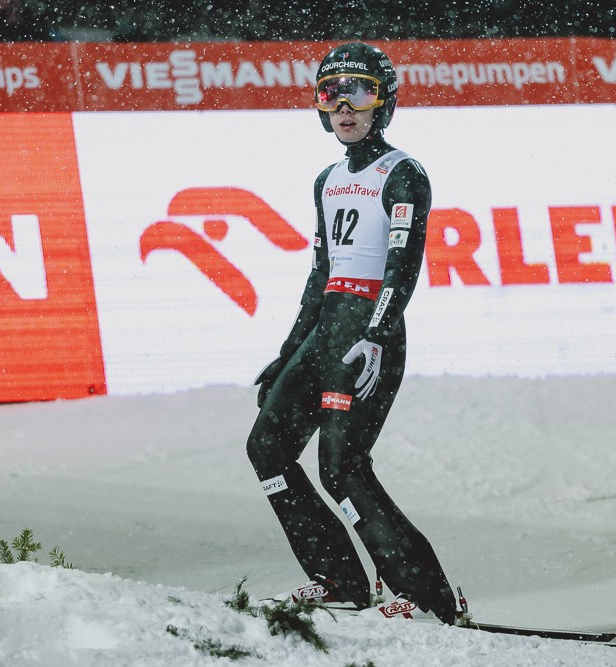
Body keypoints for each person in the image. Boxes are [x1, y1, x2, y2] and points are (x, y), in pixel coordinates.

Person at [246, 42, 457, 625]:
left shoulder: (403, 173)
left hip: (366, 335)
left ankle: (428, 595)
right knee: (267, 449)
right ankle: (338, 579)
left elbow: (402, 266)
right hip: (327, 331)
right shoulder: (328, 179)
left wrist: (377, 335)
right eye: (330, 94)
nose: (343, 107)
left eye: (359, 93)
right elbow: (322, 274)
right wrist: (288, 353)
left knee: (341, 467)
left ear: (382, 102)